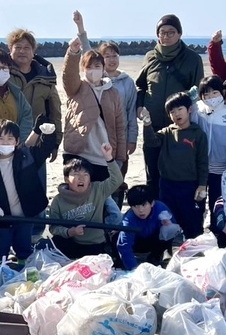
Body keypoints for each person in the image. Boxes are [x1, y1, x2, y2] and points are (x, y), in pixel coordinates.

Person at [0, 10, 63, 152]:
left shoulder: (46, 78)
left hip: (35, 144)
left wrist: (54, 143)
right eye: (18, 47)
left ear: (33, 51)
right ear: (10, 50)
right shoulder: (3, 73)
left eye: (26, 48)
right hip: (2, 142)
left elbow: (55, 113)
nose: (22, 51)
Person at [136, 14, 204, 196]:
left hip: (179, 128)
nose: (166, 36)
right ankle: (153, 212)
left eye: (171, 32)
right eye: (162, 32)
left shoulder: (192, 59)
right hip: (153, 125)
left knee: (176, 174)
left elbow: (198, 91)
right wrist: (139, 106)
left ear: (180, 34)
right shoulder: (150, 57)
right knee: (152, 171)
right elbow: (141, 86)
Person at [0, 119, 58, 264]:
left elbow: (44, 150)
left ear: (17, 141)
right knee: (0, 248)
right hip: (2, 217)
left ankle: (23, 272)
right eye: (1, 138)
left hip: (24, 215)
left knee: (24, 248)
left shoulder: (27, 157)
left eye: (10, 138)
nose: (5, 142)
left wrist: (49, 135)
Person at [74, 11, 138, 201]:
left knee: (116, 182)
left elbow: (131, 112)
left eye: (114, 55)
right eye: (107, 56)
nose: (111, 59)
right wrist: (81, 29)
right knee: (95, 183)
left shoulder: (127, 82)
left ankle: (114, 225)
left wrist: (131, 139)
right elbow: (87, 53)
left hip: (119, 138)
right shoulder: (94, 81)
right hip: (94, 140)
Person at [61, 37, 127, 173]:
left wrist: (120, 157)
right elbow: (68, 76)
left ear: (103, 69)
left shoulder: (113, 93)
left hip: (104, 156)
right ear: (83, 69)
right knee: (79, 192)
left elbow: (119, 126)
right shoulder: (77, 88)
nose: (93, 70)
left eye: (97, 66)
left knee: (102, 193)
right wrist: (73, 53)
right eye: (88, 67)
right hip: (78, 154)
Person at [152, 92, 209, 240]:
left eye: (179, 109)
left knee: (192, 222)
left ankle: (194, 250)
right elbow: (151, 142)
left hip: (190, 186)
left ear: (189, 109)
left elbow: (203, 161)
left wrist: (202, 185)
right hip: (167, 185)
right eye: (172, 112)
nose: (176, 114)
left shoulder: (198, 134)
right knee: (167, 220)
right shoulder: (166, 132)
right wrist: (146, 124)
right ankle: (167, 251)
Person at [48, 152, 123, 259]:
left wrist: (109, 158)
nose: (81, 178)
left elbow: (117, 180)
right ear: (66, 179)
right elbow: (53, 227)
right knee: (58, 241)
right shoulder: (58, 200)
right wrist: (69, 232)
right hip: (72, 243)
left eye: (85, 174)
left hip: (95, 244)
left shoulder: (98, 189)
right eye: (76, 175)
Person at [191, 75, 226, 225]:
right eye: (206, 94)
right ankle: (195, 229)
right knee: (197, 197)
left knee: (217, 200)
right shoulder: (197, 109)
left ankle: (216, 228)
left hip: (220, 168)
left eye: (215, 93)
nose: (211, 97)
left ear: (222, 92)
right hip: (198, 167)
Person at [116, 185, 180, 270]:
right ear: (131, 207)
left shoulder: (161, 209)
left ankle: (157, 257)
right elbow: (124, 245)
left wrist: (168, 225)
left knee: (169, 229)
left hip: (155, 240)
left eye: (144, 205)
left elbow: (176, 232)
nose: (140, 210)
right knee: (117, 237)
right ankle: (120, 262)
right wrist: (134, 270)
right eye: (136, 206)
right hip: (137, 242)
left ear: (152, 203)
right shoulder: (129, 219)